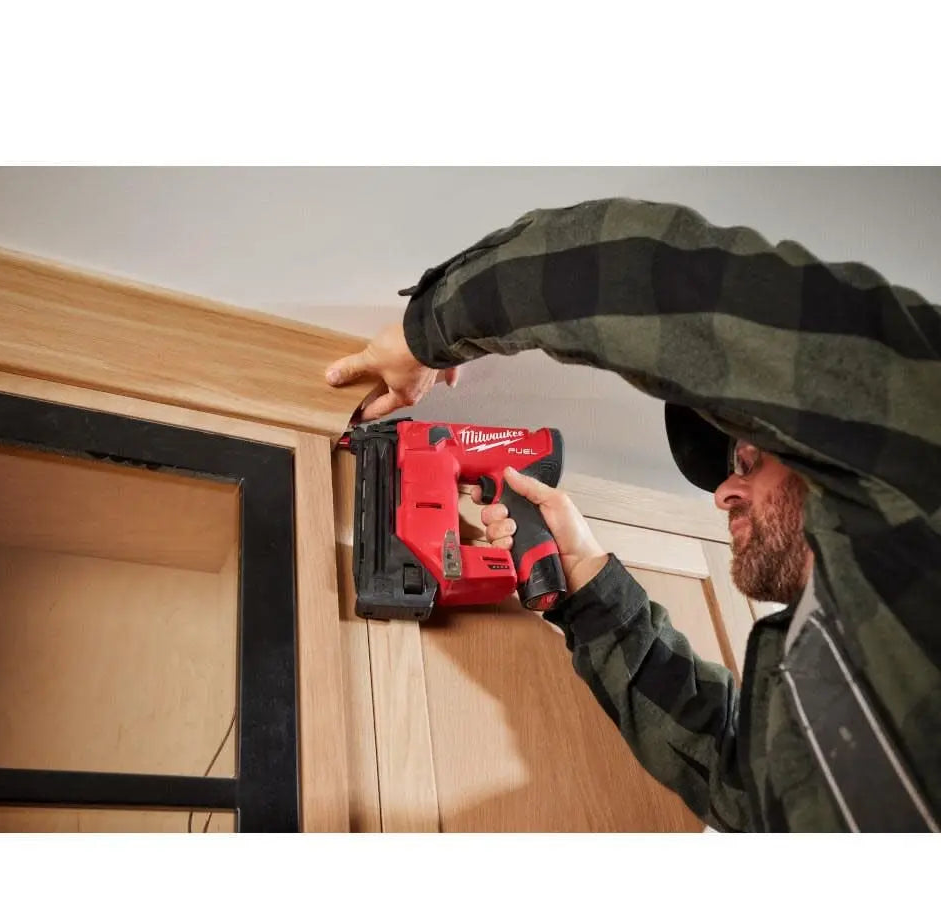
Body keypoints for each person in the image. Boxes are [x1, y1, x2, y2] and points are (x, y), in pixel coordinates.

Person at [325, 197, 941, 833]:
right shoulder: (829, 685)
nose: (723, 495)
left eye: (749, 460)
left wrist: (424, 336)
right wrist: (588, 582)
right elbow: (727, 769)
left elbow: (651, 277)